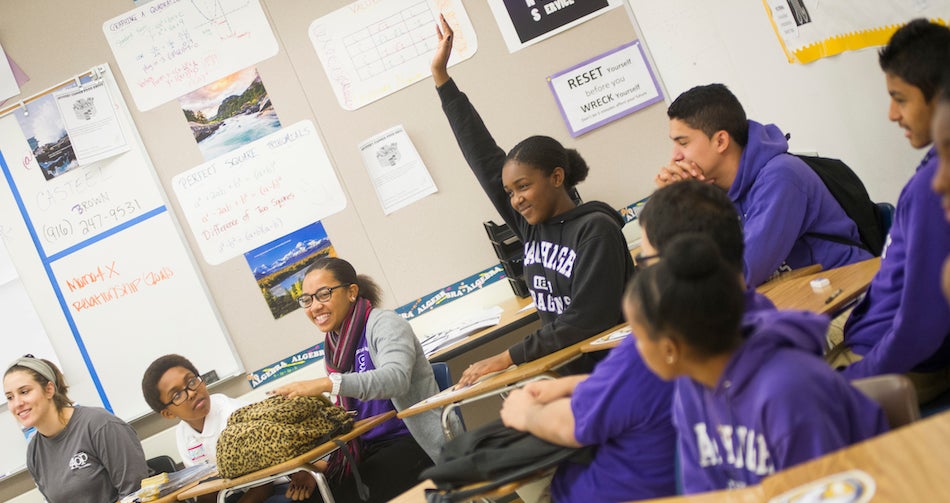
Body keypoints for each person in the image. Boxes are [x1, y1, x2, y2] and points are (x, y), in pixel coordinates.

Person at [497, 180, 774, 502]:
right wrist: (578, 384)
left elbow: (573, 425)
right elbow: (638, 396)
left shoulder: (652, 348)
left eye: (645, 261)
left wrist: (526, 412)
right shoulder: (756, 316)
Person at [432, 15, 635, 387]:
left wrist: (506, 358)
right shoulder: (532, 226)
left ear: (557, 177)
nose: (516, 200)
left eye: (523, 187)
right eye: (510, 192)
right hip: (568, 374)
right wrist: (442, 80)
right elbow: (482, 157)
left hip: (618, 378)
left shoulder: (596, 231)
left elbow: (587, 318)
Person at [625, 235, 888, 493]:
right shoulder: (690, 388)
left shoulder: (789, 391)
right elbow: (702, 493)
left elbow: (821, 493)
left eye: (638, 336)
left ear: (670, 348)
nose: (636, 347)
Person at [829, 19, 950, 404]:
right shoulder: (933, 171)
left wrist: (850, 380)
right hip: (877, 329)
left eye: (900, 99)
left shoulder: (934, 187)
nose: (892, 114)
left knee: (776, 400)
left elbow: (921, 327)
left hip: (902, 359)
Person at [654, 83, 872, 287]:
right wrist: (673, 206)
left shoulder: (781, 177)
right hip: (799, 301)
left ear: (720, 141)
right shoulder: (713, 193)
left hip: (851, 298)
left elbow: (741, 274)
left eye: (683, 143)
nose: (675, 156)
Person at [271, 257, 445, 503]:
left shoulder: (384, 323)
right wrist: (321, 465)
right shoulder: (334, 346)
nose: (315, 307)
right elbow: (349, 418)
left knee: (347, 497)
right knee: (309, 498)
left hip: (410, 442)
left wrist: (328, 383)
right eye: (307, 300)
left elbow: (396, 379)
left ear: (351, 292)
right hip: (366, 450)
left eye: (323, 294)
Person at [142, 355, 308, 503]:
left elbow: (264, 485)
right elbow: (207, 486)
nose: (191, 393)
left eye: (192, 381)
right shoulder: (183, 434)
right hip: (238, 490)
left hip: (284, 482)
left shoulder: (233, 415)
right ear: (168, 413)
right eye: (177, 395)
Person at [3, 355, 148, 503]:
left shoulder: (100, 425)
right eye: (9, 397)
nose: (17, 403)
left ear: (49, 390)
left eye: (24, 392)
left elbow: (137, 493)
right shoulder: (34, 452)